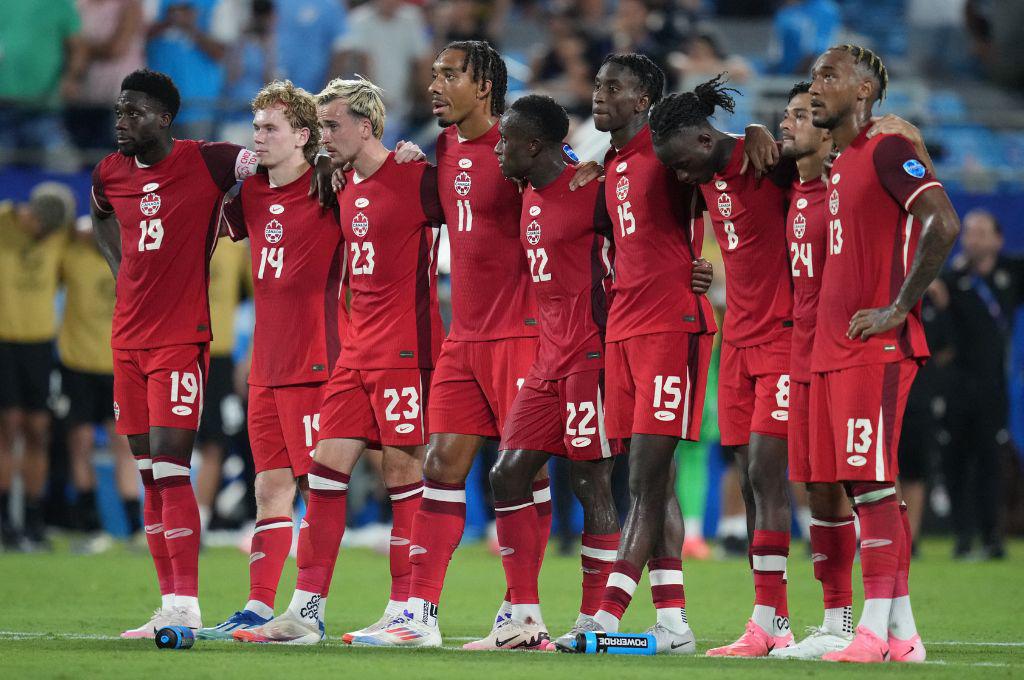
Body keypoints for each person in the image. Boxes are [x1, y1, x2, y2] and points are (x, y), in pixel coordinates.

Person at [350, 41, 551, 650]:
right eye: (435, 74)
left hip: (520, 333)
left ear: (484, 84)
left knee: (520, 477)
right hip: (463, 335)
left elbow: (573, 205)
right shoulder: (445, 145)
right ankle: (418, 615)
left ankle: (524, 614)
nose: (435, 84)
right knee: (441, 466)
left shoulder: (524, 150)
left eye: (450, 75)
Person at [234, 77, 444, 645]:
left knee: (403, 476)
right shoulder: (340, 181)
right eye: (320, 126)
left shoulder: (419, 179)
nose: (323, 136)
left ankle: (413, 615)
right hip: (354, 354)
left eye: (332, 126)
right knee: (324, 474)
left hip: (407, 350)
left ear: (367, 126)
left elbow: (485, 230)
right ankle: (305, 613)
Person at [90, 68, 262, 638]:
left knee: (170, 469)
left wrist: (241, 219)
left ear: (164, 118)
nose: (122, 122)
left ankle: (186, 604)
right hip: (126, 341)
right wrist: (122, 271)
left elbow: (270, 164)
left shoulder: (210, 160)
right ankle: (168, 602)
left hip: (180, 339)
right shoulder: (109, 173)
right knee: (148, 474)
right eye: (119, 111)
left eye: (133, 112)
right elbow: (99, 216)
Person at [558, 53, 720, 654]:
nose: (600, 95)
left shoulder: (672, 154)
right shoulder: (615, 164)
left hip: (670, 327)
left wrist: (704, 271)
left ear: (643, 100)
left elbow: (733, 184)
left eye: (615, 87)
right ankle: (674, 623)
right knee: (656, 477)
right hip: (624, 329)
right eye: (598, 84)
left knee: (646, 476)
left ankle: (609, 612)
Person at [807, 44, 960, 663]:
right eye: (814, 75)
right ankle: (901, 633)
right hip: (842, 349)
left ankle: (870, 632)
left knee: (871, 483)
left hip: (877, 347)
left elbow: (942, 222)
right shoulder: (842, 161)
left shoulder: (887, 148)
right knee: (865, 483)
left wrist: (899, 307)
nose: (816, 85)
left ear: (865, 92)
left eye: (830, 75)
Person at [648, 75, 796, 657]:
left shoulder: (769, 161)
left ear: (706, 140)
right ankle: (772, 624)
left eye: (682, 163)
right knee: (751, 479)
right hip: (737, 338)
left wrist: (763, 130)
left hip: (783, 338)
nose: (679, 177)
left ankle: (784, 621)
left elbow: (826, 149)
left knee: (766, 472)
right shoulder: (705, 175)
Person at [469, 93, 621, 651]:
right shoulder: (528, 189)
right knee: (507, 474)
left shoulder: (593, 194)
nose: (498, 150)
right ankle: (524, 620)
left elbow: (653, 230)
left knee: (592, 481)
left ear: (534, 145)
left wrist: (695, 270)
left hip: (591, 355)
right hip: (547, 358)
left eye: (507, 141)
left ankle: (593, 620)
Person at [198, 80, 346, 639]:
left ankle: (309, 613)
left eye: (269, 128)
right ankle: (260, 607)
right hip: (265, 364)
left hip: (317, 362)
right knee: (270, 490)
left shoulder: (333, 186)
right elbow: (209, 222)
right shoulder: (251, 193)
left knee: (319, 489)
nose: (256, 137)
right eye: (255, 126)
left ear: (303, 136)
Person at [940, 208, 1024, 560]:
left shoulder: (1012, 272)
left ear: (997, 239)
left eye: (979, 232)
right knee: (956, 462)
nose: (971, 238)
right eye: (968, 232)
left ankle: (993, 536)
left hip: (993, 387)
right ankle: (962, 537)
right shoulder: (951, 277)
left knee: (992, 462)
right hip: (956, 387)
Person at [59, 215, 140, 552]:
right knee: (81, 444)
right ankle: (92, 526)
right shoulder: (71, 255)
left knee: (125, 447)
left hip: (117, 365)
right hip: (77, 364)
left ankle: (135, 527)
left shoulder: (131, 259)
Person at [0, 184, 73, 551]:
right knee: (7, 427)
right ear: (29, 212)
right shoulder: (3, 222)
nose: (43, 234)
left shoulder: (60, 235)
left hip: (40, 345)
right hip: (4, 340)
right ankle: (4, 522)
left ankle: (32, 517)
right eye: (40, 225)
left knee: (38, 430)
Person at [194, 235, 249, 533]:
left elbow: (265, 297)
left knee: (215, 442)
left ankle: (198, 522)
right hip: (179, 352)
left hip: (219, 357)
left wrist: (251, 356)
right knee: (166, 440)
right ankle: (160, 522)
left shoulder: (237, 249)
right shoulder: (179, 235)